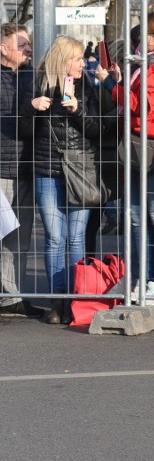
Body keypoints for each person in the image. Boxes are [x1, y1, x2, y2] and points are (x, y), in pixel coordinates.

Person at [96, 10, 154, 305]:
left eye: (147, 34)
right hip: (139, 143)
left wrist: (112, 86)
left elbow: (142, 104)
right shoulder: (153, 62)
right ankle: (138, 278)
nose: (141, 38)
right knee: (135, 216)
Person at [22, 36, 102, 324]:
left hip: (79, 170)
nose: (83, 63)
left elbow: (97, 129)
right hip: (47, 169)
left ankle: (76, 299)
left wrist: (77, 109)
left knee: (76, 236)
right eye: (78, 58)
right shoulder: (40, 82)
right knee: (55, 237)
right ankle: (57, 301)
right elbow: (23, 131)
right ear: (63, 59)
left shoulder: (85, 86)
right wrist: (31, 108)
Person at [0, 24, 40, 318]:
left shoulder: (31, 77)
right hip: (2, 167)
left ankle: (13, 296)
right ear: (3, 48)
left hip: (26, 167)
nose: (28, 49)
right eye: (21, 44)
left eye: (29, 44)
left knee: (20, 236)